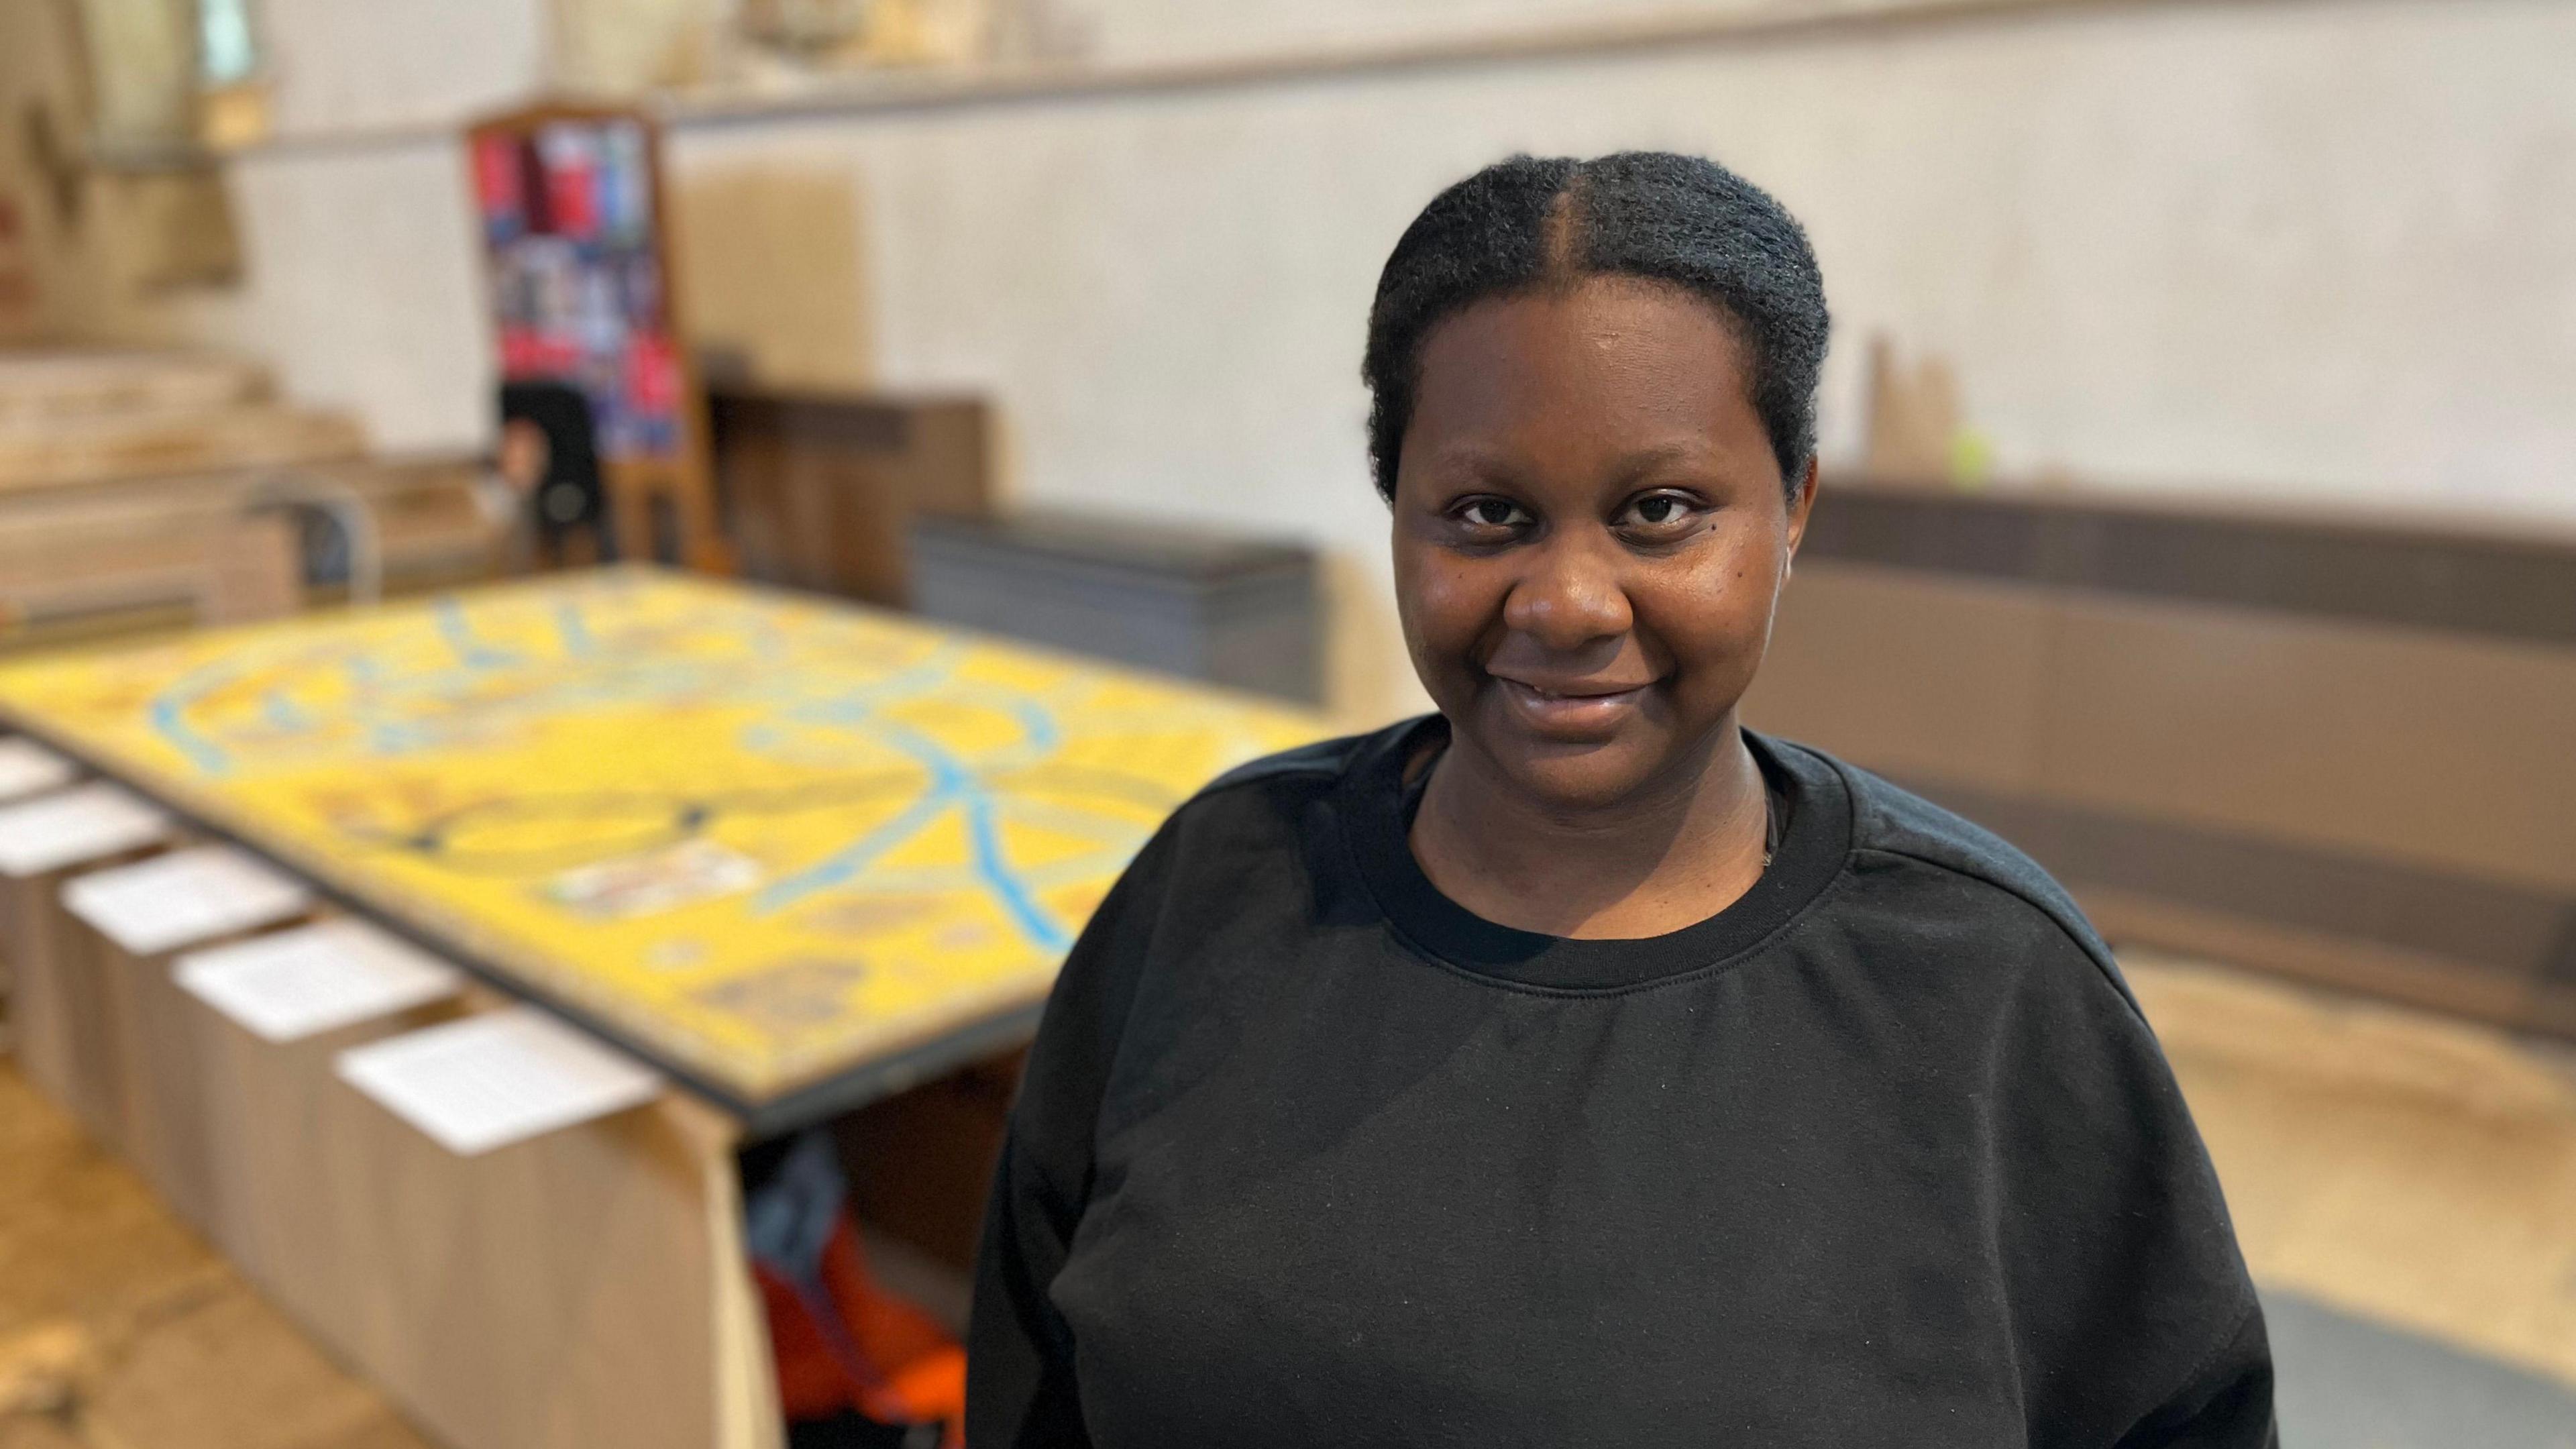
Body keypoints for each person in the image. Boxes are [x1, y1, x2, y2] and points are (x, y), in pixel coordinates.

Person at [968, 151, 2275, 1448]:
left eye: (1660, 511)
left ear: (1795, 509)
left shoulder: (1991, 991)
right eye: (1486, 513)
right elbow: (1034, 1359)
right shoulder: (1216, 890)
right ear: (1397, 514)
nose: (1568, 606)